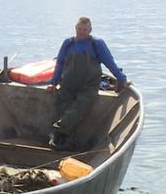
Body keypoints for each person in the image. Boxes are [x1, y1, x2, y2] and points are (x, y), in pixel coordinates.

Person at [46, 16, 130, 151]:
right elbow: (60, 63)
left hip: (89, 86)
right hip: (68, 84)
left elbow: (110, 63)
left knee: (79, 106)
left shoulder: (97, 44)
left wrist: (122, 79)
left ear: (90, 30)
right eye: (79, 29)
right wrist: (53, 83)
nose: (82, 32)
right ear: (75, 29)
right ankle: (65, 142)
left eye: (85, 29)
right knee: (65, 109)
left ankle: (57, 131)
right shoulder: (68, 43)